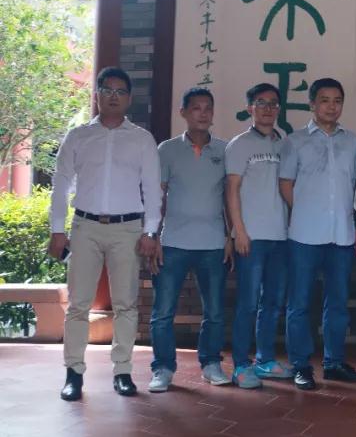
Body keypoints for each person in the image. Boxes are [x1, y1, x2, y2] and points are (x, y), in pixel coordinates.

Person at [48, 67, 163, 401]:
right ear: (97, 94)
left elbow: (152, 189)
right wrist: (57, 230)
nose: (113, 96)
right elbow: (60, 185)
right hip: (85, 227)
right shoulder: (78, 136)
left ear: (129, 98)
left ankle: (122, 372)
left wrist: (151, 231)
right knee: (78, 304)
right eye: (107, 90)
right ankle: (73, 373)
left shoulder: (141, 139)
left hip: (128, 230)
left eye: (120, 91)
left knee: (126, 304)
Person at [280, 78, 356, 390]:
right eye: (325, 100)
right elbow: (285, 184)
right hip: (304, 235)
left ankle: (333, 362)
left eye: (337, 100)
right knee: (299, 303)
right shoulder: (295, 141)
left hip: (342, 234)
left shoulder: (353, 143)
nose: (331, 106)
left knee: (338, 303)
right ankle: (301, 365)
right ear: (312, 104)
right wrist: (305, 209)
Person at [148, 88, 230, 392]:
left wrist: (231, 236)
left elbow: (230, 197)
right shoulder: (167, 150)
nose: (203, 113)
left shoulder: (224, 150)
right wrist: (153, 235)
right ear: (183, 112)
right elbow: (157, 196)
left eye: (208, 108)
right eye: (196, 108)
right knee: (163, 312)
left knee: (215, 312)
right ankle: (163, 368)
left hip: (213, 243)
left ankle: (211, 364)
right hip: (172, 243)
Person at [224, 83, 293, 389]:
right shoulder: (239, 145)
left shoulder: (285, 143)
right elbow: (231, 190)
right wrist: (238, 231)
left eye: (273, 103)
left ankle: (265, 360)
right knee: (248, 303)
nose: (267, 109)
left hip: (281, 236)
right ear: (250, 108)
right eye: (261, 103)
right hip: (250, 237)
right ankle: (241, 365)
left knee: (273, 302)